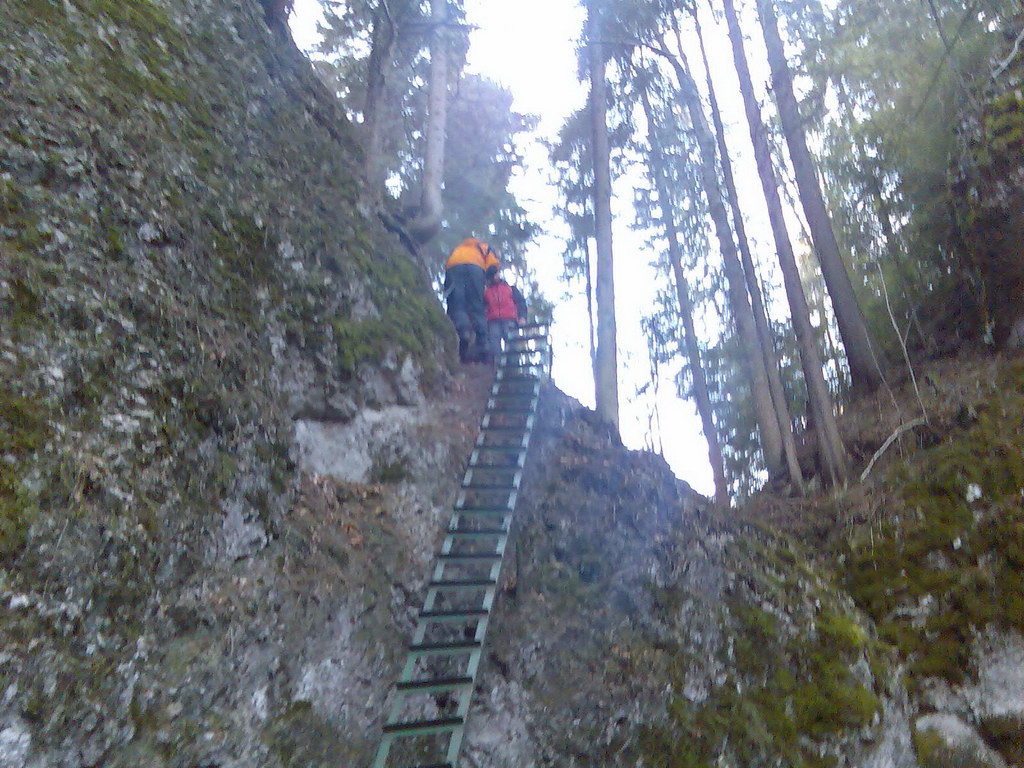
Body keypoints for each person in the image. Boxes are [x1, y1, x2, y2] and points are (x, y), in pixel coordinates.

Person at [444, 237, 499, 362]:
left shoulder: (459, 249)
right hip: (475, 269)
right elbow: (493, 266)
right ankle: (483, 343)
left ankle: (463, 332)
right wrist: (485, 279)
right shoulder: (484, 247)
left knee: (457, 304)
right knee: (476, 306)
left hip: (453, 267)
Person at [483, 265, 528, 362]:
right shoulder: (487, 292)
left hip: (509, 319)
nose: (496, 276)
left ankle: (513, 367)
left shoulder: (510, 288)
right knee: (494, 346)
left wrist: (523, 317)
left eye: (496, 274)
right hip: (493, 321)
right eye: (493, 275)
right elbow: (483, 308)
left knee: (512, 344)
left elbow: (521, 302)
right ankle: (498, 367)